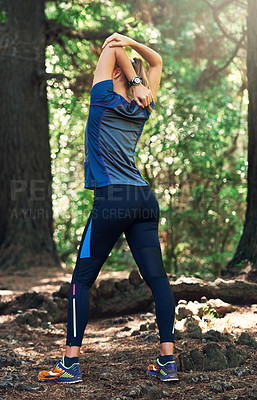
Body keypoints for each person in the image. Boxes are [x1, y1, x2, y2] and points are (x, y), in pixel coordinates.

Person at [38, 32, 178, 384]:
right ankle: (168, 361)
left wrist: (120, 48)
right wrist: (131, 50)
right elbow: (157, 62)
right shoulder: (142, 106)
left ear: (112, 73)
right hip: (144, 199)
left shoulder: (102, 100)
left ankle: (70, 363)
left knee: (80, 282)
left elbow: (113, 48)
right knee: (157, 280)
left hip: (113, 199)